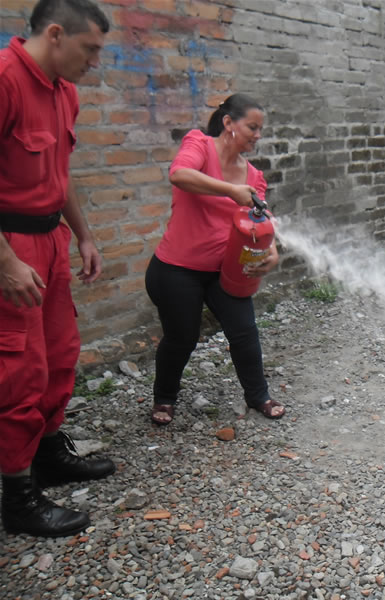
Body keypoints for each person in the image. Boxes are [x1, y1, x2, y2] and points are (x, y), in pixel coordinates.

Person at [0, 0, 115, 538]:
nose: (95, 61)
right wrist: (6, 261)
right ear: (54, 34)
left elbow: (60, 173)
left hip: (52, 239)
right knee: (19, 373)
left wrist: (85, 234)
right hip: (10, 244)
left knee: (60, 355)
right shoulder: (5, 80)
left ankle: (48, 455)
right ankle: (18, 498)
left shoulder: (64, 92)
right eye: (90, 48)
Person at [145, 93, 284, 426]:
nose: (258, 135)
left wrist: (273, 251)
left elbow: (262, 221)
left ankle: (258, 396)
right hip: (177, 269)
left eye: (260, 129)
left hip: (225, 271)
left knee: (245, 331)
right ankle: (164, 398)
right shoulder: (200, 145)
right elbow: (179, 174)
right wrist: (228, 190)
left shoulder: (254, 177)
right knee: (182, 338)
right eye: (252, 126)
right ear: (228, 123)